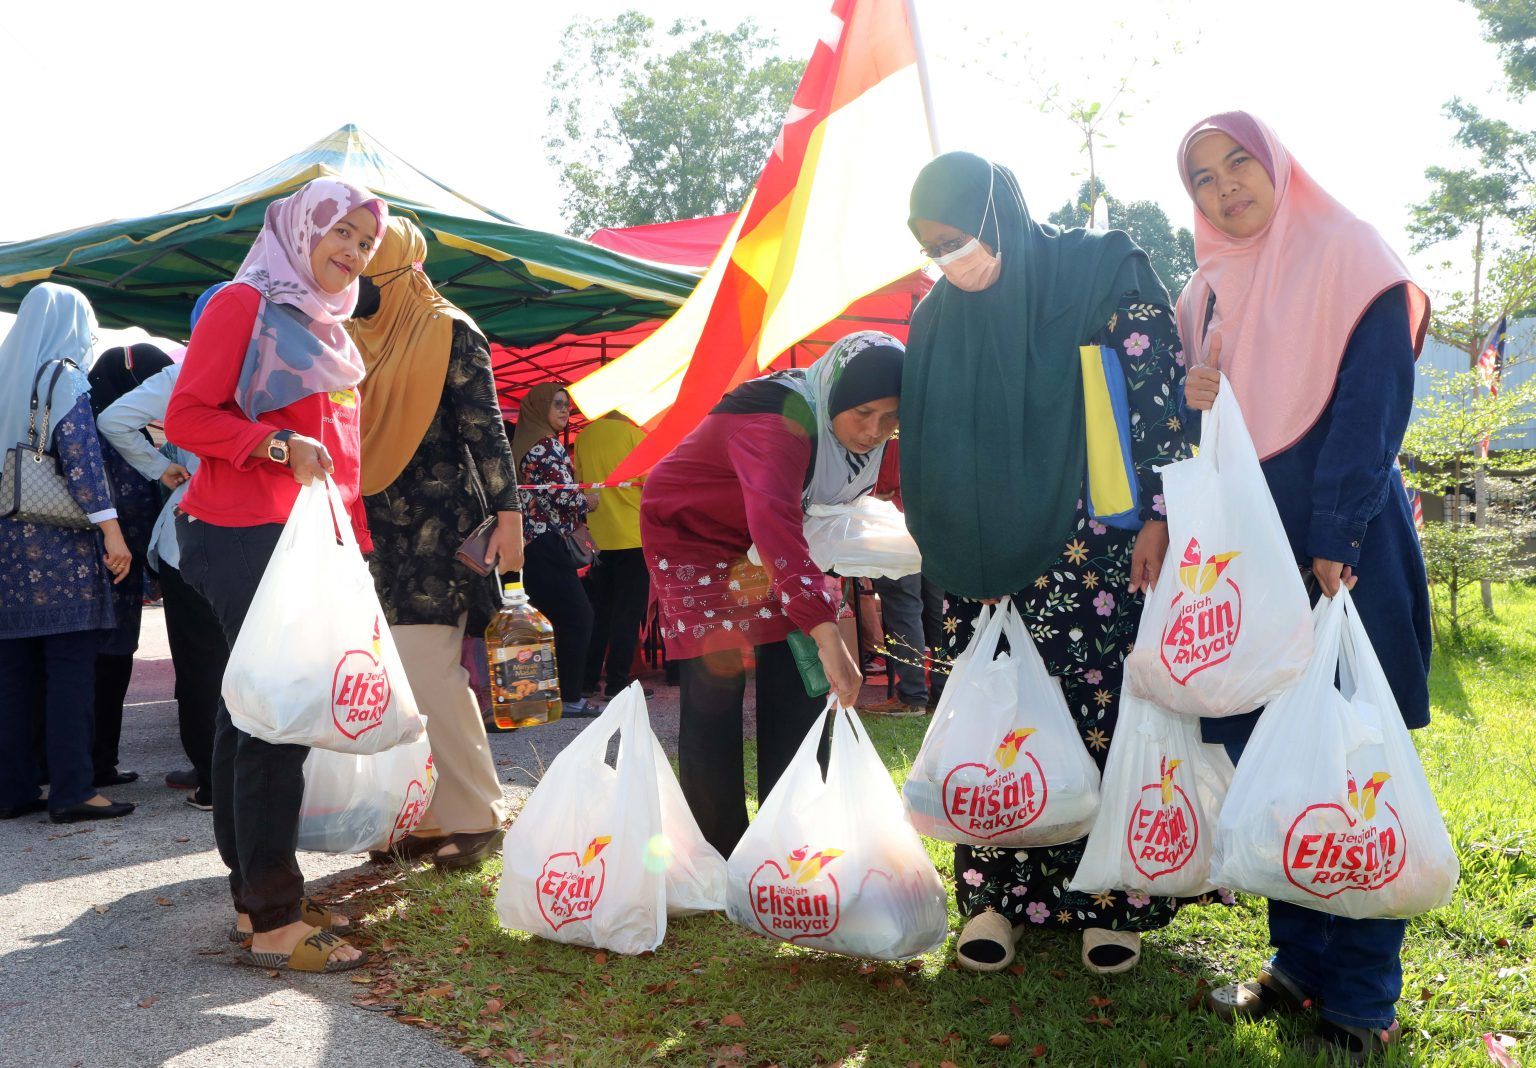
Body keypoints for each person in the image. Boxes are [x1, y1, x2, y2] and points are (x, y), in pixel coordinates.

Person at [901, 152, 1204, 975]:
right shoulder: (936, 315)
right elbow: (924, 438)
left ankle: (1113, 901)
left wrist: (1161, 514)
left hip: (1094, 549)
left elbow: (1157, 395)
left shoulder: (1100, 272)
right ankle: (996, 895)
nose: (948, 257)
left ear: (997, 216)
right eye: (931, 245)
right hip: (983, 557)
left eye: (957, 237)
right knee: (993, 721)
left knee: (1094, 713)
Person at [1174, 111, 1432, 1062]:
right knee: (1273, 760)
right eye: (1203, 176)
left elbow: (1375, 405)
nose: (1226, 185)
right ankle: (1296, 964)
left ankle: (1361, 996)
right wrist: (1199, 393)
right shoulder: (1202, 290)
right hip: (1249, 559)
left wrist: (1336, 535)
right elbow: (1202, 430)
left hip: (1344, 548)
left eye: (1240, 161)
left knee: (1347, 763)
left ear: (1279, 164)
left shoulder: (1348, 253)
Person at [165, 178, 387, 974]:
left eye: (366, 242)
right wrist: (275, 447)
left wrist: (351, 547)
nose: (353, 252)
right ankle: (272, 921)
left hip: (302, 538)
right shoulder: (243, 303)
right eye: (342, 233)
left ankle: (255, 896)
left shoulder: (325, 326)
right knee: (274, 721)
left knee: (250, 712)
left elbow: (346, 462)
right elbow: (187, 414)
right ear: (302, 229)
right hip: (240, 531)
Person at [640, 331, 902, 856]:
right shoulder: (778, 423)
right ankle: (719, 851)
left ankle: (788, 837)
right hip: (695, 537)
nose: (873, 432)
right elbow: (774, 523)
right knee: (717, 686)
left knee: (796, 679)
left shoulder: (856, 442)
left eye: (890, 418)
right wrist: (830, 634)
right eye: (863, 413)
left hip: (772, 543)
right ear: (835, 394)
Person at [346, 216, 523, 871]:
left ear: (395, 262)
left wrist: (510, 517)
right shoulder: (358, 339)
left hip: (443, 526)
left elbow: (487, 432)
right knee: (392, 684)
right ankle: (418, 818)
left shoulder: (449, 328)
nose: (357, 273)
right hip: (377, 531)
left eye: (369, 257)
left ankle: (475, 816)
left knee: (429, 672)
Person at [0, 283, 136, 823]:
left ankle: (12, 788)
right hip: (58, 544)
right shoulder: (62, 375)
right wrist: (113, 531)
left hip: (6, 548)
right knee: (71, 666)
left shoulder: (5, 374)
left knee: (12, 670)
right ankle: (74, 789)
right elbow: (81, 461)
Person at [98, 286, 231, 810]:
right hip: (264, 540)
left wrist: (162, 468)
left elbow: (113, 421)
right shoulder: (276, 373)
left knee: (200, 665)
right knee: (256, 659)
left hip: (189, 538)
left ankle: (213, 778)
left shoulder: (184, 374)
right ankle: (260, 777)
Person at [88, 343, 175, 789]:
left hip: (70, 575)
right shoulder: (127, 438)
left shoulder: (73, 423)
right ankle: (99, 763)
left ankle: (58, 762)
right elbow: (138, 511)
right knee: (110, 667)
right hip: (118, 573)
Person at [512, 383, 600, 718]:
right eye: (558, 404)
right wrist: (587, 501)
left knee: (548, 620)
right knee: (579, 617)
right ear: (539, 407)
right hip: (546, 544)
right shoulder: (544, 446)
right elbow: (561, 495)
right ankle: (571, 697)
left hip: (531, 545)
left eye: (568, 405)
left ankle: (546, 697)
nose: (565, 410)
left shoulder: (526, 442)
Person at [572, 411, 653, 700]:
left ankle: (587, 679)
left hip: (598, 540)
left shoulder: (583, 437)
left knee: (600, 613)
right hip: (632, 536)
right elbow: (652, 481)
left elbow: (580, 482)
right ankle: (618, 683)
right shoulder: (636, 436)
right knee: (627, 614)